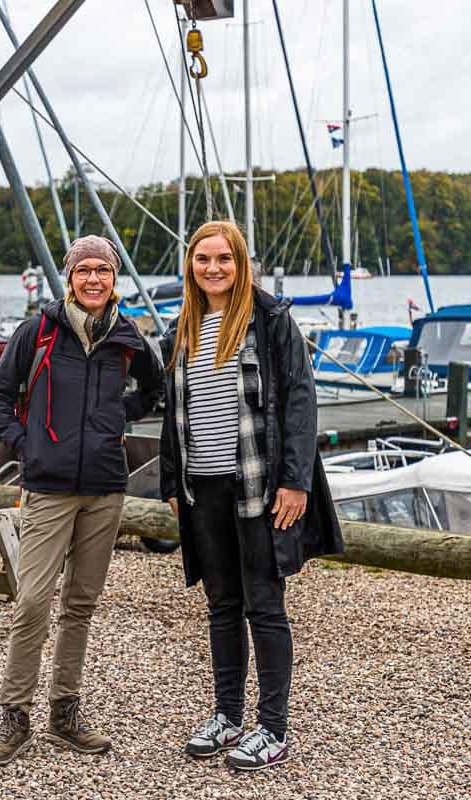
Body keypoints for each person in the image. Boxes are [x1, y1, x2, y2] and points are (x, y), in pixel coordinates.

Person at [158, 220, 344, 772]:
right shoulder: (181, 329)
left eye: (223, 259)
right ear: (190, 266)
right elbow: (173, 414)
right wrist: (173, 483)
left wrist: (296, 481)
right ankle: (227, 713)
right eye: (202, 259)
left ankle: (273, 726)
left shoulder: (271, 322)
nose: (213, 269)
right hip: (203, 486)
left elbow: (300, 404)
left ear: (241, 263)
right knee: (221, 604)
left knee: (264, 604)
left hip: (259, 484)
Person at [0, 235, 164, 766]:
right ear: (69, 277)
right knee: (33, 600)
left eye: (102, 271)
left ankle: (64, 712)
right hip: (48, 486)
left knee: (81, 602)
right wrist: (25, 444)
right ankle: (14, 713)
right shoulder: (37, 332)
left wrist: (115, 422)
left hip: (106, 487)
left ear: (114, 279)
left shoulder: (127, 339)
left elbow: (152, 391)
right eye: (83, 270)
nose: (93, 280)